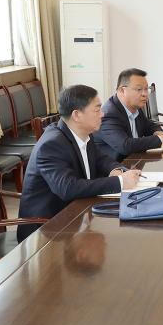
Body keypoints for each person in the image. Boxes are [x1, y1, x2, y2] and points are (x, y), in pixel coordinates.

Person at [18, 84, 141, 241]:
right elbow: (68, 188)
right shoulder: (51, 145)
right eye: (97, 110)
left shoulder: (83, 133)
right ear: (76, 115)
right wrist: (120, 182)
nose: (102, 114)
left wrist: (115, 169)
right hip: (47, 232)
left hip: (76, 216)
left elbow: (101, 159)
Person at [93, 68, 163, 161]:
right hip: (117, 166)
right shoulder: (108, 115)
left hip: (135, 162)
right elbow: (125, 145)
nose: (145, 94)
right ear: (122, 90)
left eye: (146, 89)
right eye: (139, 89)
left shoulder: (134, 107)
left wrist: (158, 132)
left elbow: (149, 125)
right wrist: (161, 139)